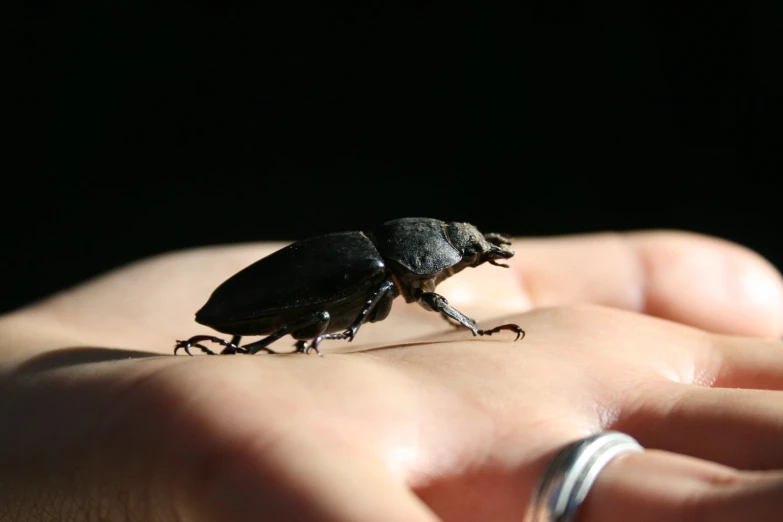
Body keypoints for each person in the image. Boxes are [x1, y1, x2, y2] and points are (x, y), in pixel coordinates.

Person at [0, 229, 781, 522]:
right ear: (430, 258)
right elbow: (375, 304)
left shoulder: (390, 268)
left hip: (269, 304)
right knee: (351, 301)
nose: (469, 257)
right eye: (462, 250)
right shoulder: (380, 271)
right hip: (256, 308)